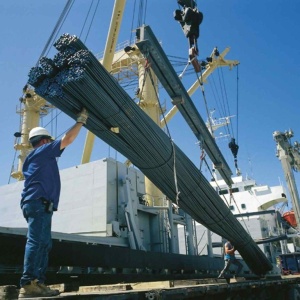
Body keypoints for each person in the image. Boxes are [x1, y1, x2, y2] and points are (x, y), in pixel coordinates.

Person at [18, 108, 88, 299]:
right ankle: (28, 283)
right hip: (38, 204)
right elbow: (67, 140)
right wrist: (81, 121)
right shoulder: (42, 151)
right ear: (43, 141)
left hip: (41, 205)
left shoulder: (40, 156)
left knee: (43, 243)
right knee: (36, 241)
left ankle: (38, 283)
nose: (52, 143)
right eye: (50, 140)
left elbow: (63, 144)